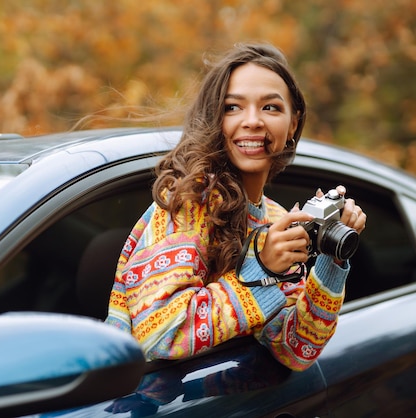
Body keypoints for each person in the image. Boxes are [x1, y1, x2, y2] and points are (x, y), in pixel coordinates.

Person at [104, 42, 367, 371]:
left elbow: (296, 348)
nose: (253, 121)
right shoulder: (188, 201)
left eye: (270, 108)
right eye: (232, 107)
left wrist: (331, 258)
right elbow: (159, 334)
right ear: (215, 118)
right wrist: (262, 269)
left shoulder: (275, 219)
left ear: (294, 125)